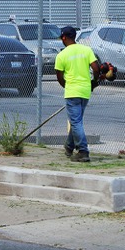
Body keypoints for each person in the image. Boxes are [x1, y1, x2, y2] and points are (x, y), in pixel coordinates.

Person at [54, 25, 101, 162]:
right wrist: (94, 82)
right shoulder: (86, 50)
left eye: (62, 38)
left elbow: (59, 77)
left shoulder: (61, 55)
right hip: (85, 91)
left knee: (76, 122)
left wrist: (66, 86)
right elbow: (96, 68)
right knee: (77, 121)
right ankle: (69, 147)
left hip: (72, 91)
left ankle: (83, 151)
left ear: (64, 37)